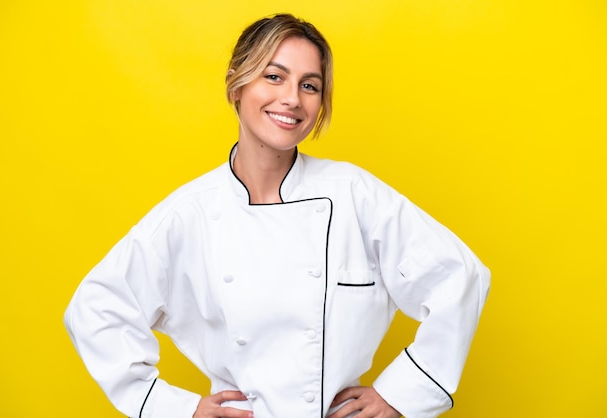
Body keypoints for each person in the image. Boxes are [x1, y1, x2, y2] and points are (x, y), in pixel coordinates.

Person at [64, 13, 490, 418]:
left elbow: (460, 277)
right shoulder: (192, 212)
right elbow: (97, 308)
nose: (292, 98)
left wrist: (401, 393)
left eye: (310, 85)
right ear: (236, 84)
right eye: (274, 76)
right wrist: (175, 408)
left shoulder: (352, 193)